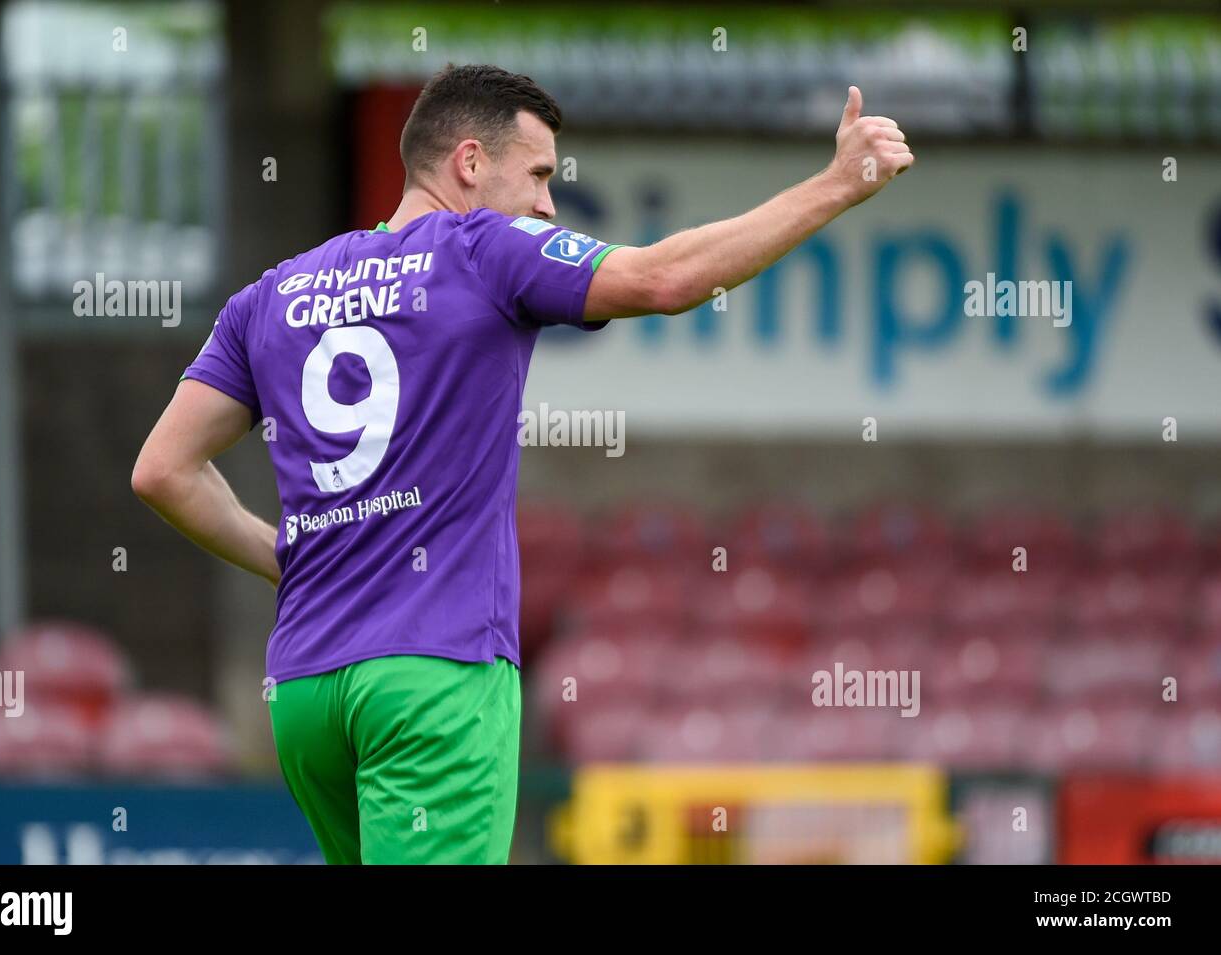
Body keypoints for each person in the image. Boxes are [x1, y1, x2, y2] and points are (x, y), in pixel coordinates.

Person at [131, 63, 913, 864]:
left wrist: (288, 561)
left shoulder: (270, 295)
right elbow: (666, 277)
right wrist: (836, 185)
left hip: (304, 691)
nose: (546, 203)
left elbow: (163, 469)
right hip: (433, 679)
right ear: (469, 163)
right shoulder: (481, 248)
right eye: (538, 175)